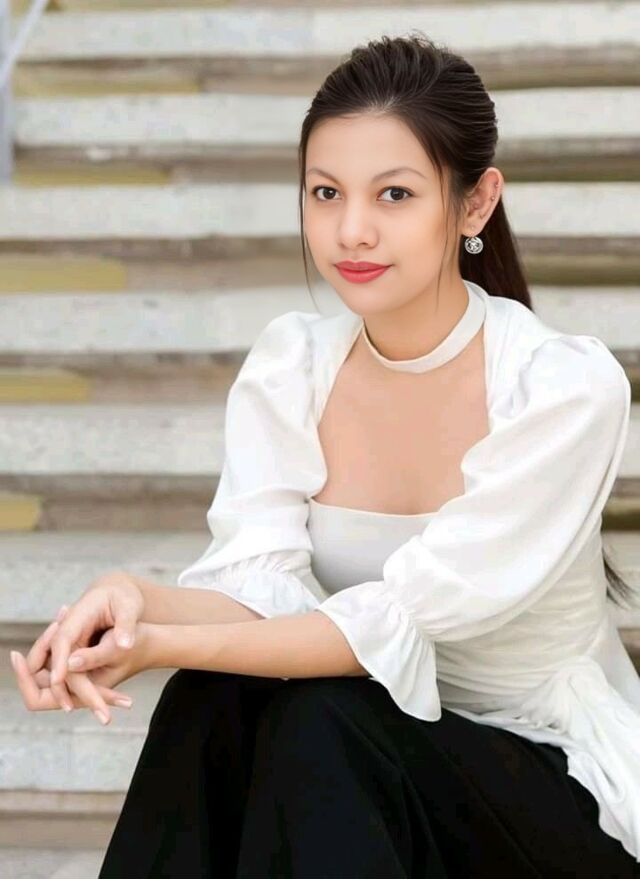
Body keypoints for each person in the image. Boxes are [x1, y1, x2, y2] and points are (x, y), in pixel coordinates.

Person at [10, 33, 640, 877]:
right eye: (325, 192)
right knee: (216, 696)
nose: (351, 230)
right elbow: (259, 590)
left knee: (319, 719)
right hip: (367, 777)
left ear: (475, 203)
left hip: (553, 790)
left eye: (394, 194)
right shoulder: (295, 365)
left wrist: (160, 639)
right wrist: (131, 599)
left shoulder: (561, 389)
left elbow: (389, 626)